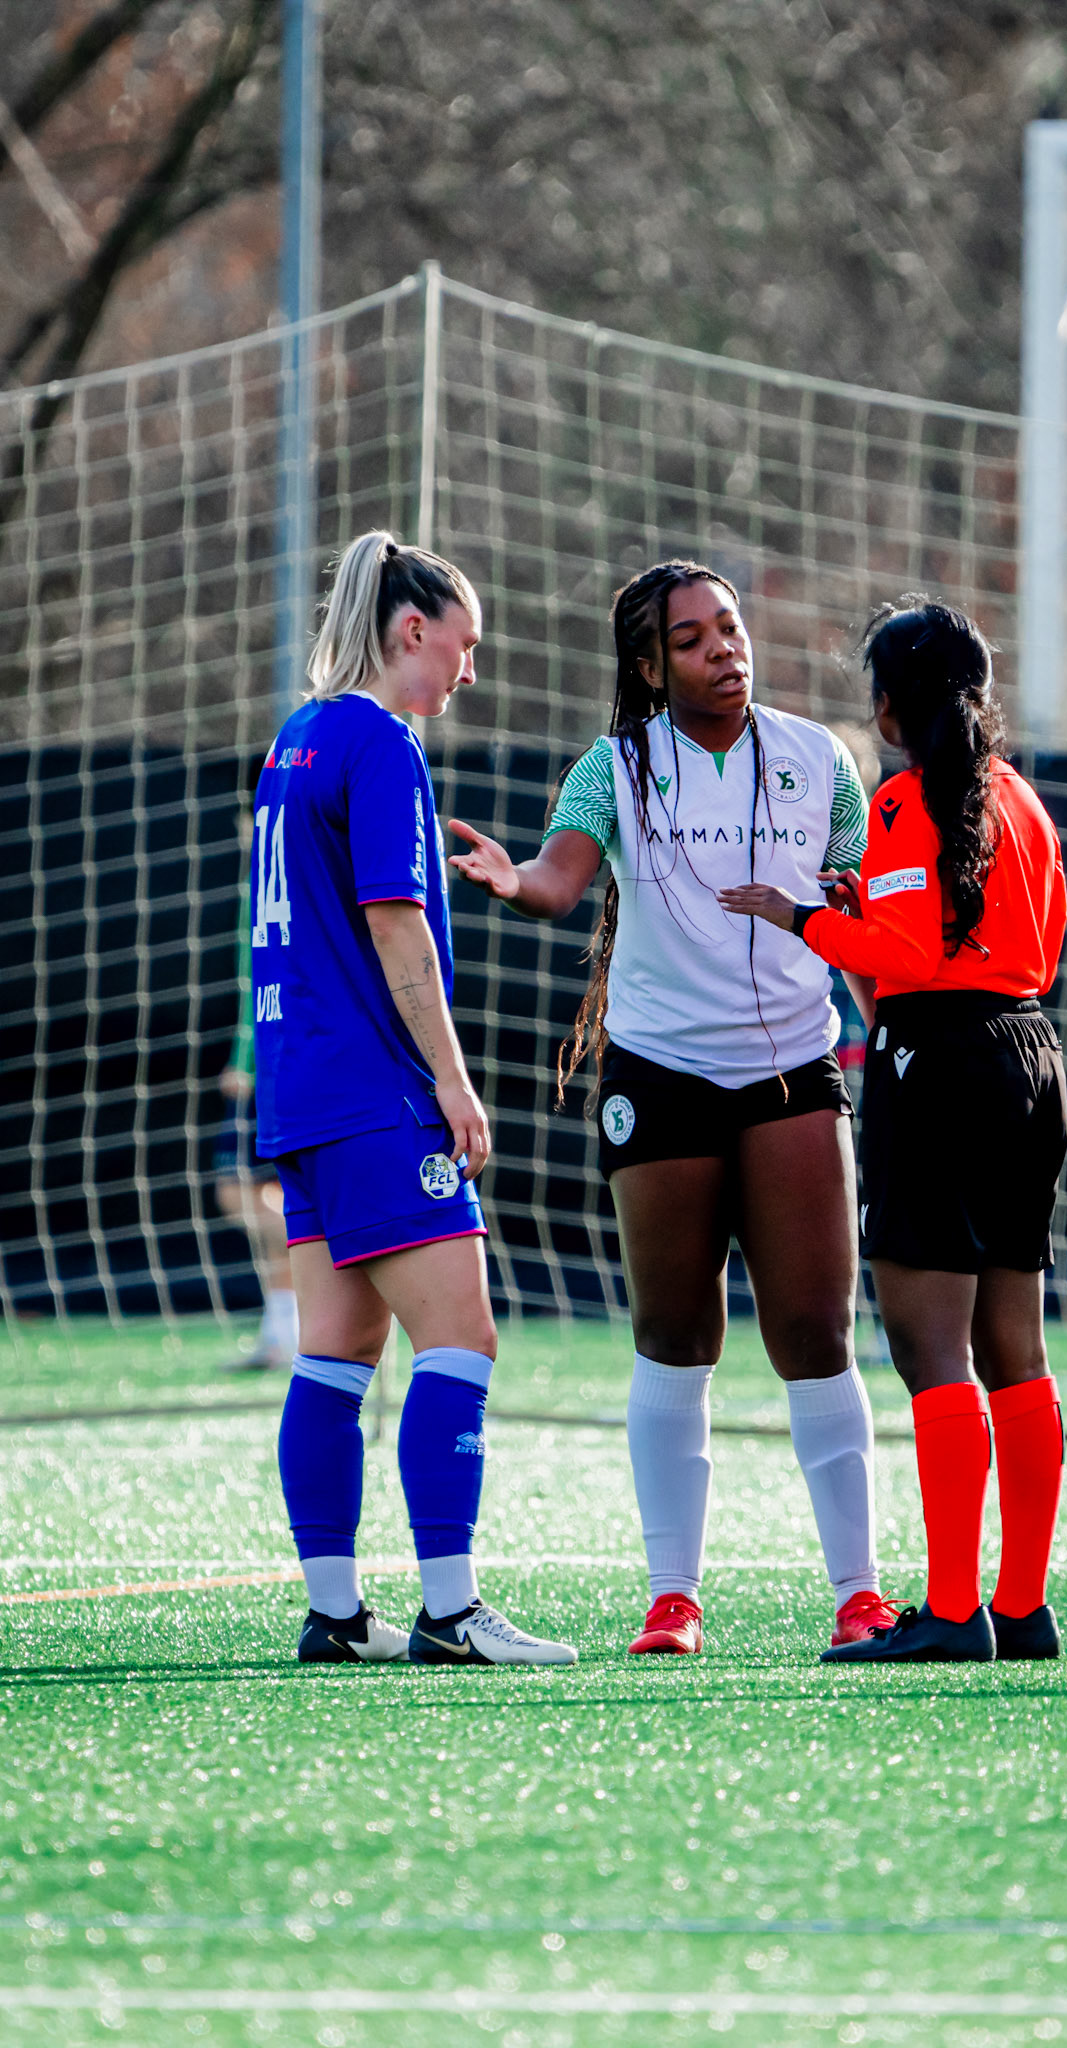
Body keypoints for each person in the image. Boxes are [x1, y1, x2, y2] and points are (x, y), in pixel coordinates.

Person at [448, 558, 901, 1657]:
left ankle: (861, 1593)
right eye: (692, 639)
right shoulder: (616, 766)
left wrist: (890, 1021)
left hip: (794, 1067)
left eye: (731, 628)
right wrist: (518, 883)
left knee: (814, 1332)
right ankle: (672, 1596)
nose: (724, 649)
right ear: (649, 666)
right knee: (673, 1333)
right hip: (657, 1073)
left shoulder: (820, 759)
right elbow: (561, 878)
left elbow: (854, 916)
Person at [720, 597, 1067, 1665]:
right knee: (1016, 1343)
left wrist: (803, 917)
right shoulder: (1020, 799)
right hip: (1028, 1057)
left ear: (887, 703)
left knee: (930, 1345)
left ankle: (954, 1611)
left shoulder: (908, 801)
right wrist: (863, 903)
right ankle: (1020, 1605)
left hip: (940, 1065)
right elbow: (1029, 945)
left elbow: (905, 955)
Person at [251, 529, 576, 1669]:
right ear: (411, 630)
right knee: (464, 1333)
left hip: (299, 1089)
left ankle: (335, 1611)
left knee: (335, 1353)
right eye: (463, 645)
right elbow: (396, 927)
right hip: (373, 1093)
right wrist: (452, 1079)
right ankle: (451, 1604)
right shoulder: (383, 741)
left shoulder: (296, 737)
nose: (468, 671)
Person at [216, 809, 297, 1370]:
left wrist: (247, 1060)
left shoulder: (286, 878)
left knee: (244, 1197)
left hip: (271, 1068)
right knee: (268, 1202)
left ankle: (302, 1317)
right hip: (257, 1065)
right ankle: (282, 1333)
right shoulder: (257, 880)